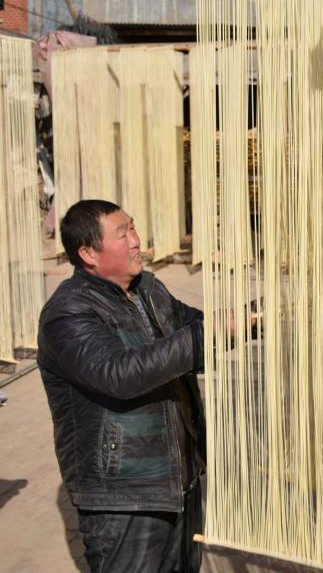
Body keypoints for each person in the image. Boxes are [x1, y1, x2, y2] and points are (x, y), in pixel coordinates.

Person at [38, 199, 206, 573]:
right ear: (88, 253)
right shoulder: (67, 313)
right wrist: (203, 337)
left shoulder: (149, 289)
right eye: (122, 233)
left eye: (133, 227)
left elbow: (194, 332)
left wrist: (252, 318)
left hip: (180, 482)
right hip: (123, 497)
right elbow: (120, 373)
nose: (135, 240)